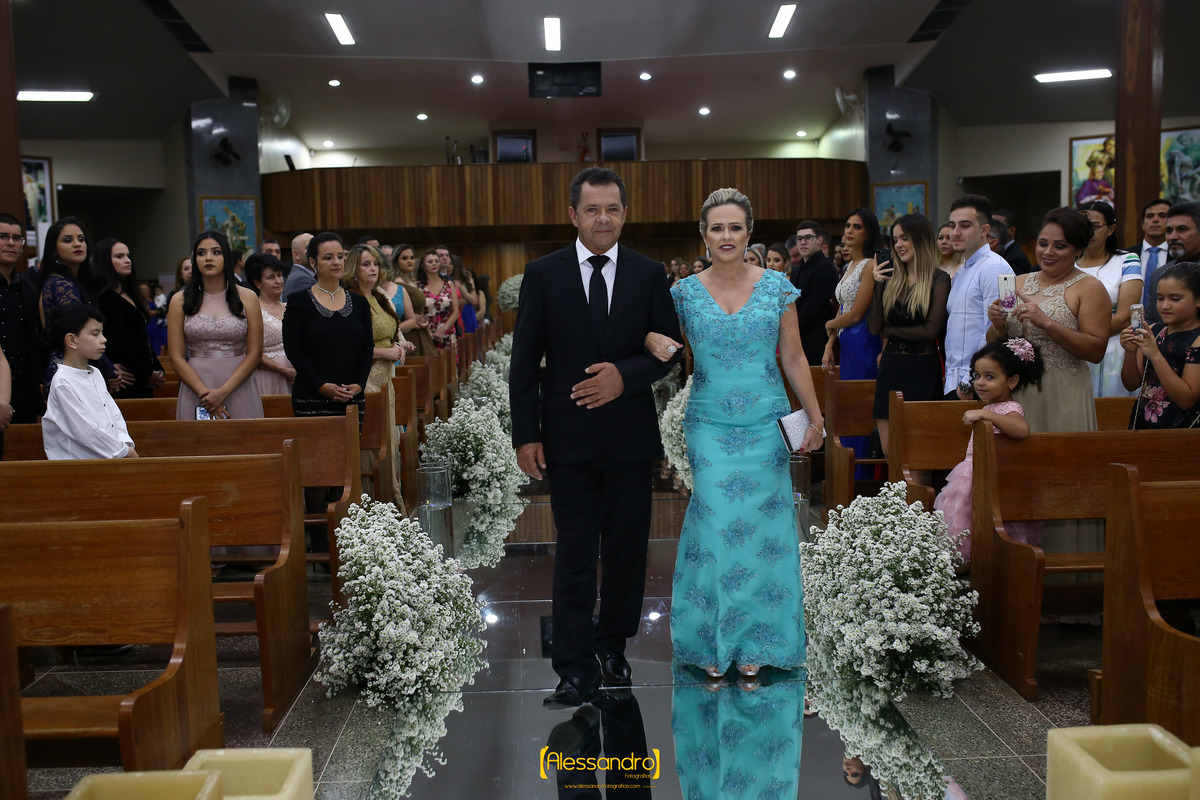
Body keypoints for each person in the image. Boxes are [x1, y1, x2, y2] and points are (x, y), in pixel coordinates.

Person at [509, 167, 680, 709]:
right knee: (575, 551)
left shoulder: (649, 273)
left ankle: (613, 647)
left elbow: (669, 351)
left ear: (624, 214)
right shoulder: (543, 274)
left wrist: (624, 376)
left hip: (630, 436)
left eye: (611, 209)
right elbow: (523, 362)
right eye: (592, 209)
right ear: (573, 215)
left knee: (628, 551)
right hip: (568, 438)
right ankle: (573, 667)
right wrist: (526, 434)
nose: (602, 218)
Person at [646, 187, 824, 679]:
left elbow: (794, 356)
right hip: (708, 425)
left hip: (766, 424)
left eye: (735, 227)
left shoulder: (777, 287)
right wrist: (647, 335)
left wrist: (814, 417)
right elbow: (653, 337)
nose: (726, 236)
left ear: (749, 233)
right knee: (717, 525)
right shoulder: (682, 293)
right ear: (703, 235)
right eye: (717, 227)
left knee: (764, 531)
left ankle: (757, 641)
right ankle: (713, 638)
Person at [986, 206, 1108, 432]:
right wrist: (998, 325)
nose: (1048, 252)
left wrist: (1048, 323)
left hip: (1063, 392)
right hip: (1018, 392)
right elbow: (995, 344)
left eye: (1060, 246)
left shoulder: (1090, 287)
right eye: (1043, 244)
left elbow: (1096, 351)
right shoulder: (1019, 282)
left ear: (1078, 250)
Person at [933, 338, 1042, 563]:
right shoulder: (992, 406)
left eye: (990, 377)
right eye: (977, 376)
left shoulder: (1010, 407)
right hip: (972, 477)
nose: (980, 383)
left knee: (983, 528)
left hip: (989, 477)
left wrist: (986, 415)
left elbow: (1021, 429)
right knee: (965, 524)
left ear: (1012, 381)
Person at [869, 214, 951, 455]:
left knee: (917, 452)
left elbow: (931, 330)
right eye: (895, 240)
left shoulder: (939, 279)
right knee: (889, 451)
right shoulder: (892, 278)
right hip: (890, 368)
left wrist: (891, 330)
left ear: (921, 239)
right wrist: (878, 283)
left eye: (904, 238)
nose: (898, 245)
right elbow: (875, 327)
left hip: (922, 369)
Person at [168, 230, 264, 420]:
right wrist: (204, 393)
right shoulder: (179, 300)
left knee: (242, 436)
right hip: (196, 384)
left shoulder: (248, 297)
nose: (208, 258)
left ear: (226, 257)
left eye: (216, 252)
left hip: (238, 382)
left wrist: (223, 392)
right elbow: (176, 356)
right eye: (201, 253)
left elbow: (255, 353)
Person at [282, 232, 373, 419]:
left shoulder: (359, 302)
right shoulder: (299, 301)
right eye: (328, 257)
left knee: (352, 439)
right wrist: (321, 386)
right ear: (313, 262)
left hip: (352, 395)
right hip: (311, 395)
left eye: (340, 256)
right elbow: (293, 349)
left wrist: (359, 384)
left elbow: (367, 347)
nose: (336, 262)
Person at [41, 303, 138, 460]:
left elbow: (113, 415)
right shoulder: (63, 383)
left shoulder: (96, 373)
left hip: (110, 458)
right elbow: (85, 431)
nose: (103, 339)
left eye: (102, 333)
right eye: (95, 334)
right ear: (72, 340)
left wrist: (125, 443)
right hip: (79, 465)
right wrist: (123, 451)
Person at [37, 217, 120, 392]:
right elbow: (81, 336)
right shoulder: (61, 285)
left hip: (79, 369)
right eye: (68, 240)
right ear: (54, 249)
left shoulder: (78, 283)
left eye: (81, 239)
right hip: (70, 373)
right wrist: (110, 371)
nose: (77, 244)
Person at [945, 195, 1014, 399]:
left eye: (965, 225)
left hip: (979, 384)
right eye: (952, 226)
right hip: (955, 380)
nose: (955, 232)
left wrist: (970, 382)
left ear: (985, 230)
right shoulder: (961, 271)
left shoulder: (998, 268)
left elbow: (1000, 330)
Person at [80, 238, 165, 399]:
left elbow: (142, 339)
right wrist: (146, 373)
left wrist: (156, 368)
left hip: (141, 377)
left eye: (128, 256)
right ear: (105, 261)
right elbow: (117, 343)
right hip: (125, 379)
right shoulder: (105, 298)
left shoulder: (131, 294)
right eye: (119, 256)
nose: (127, 260)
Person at [1121, 261, 1200, 429]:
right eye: (1160, 298)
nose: (1165, 305)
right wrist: (1130, 352)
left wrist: (1155, 355)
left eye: (1175, 299)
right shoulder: (1154, 331)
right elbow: (1131, 383)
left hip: (1181, 428)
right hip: (1144, 422)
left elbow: (1186, 399)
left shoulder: (1197, 339)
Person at [1075, 200, 1143, 397]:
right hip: (1073, 350)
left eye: (1095, 226)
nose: (1088, 232)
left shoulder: (1126, 261)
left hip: (1114, 348)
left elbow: (1125, 317)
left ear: (1111, 229)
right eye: (1083, 226)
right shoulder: (1067, 264)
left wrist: (1082, 337)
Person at [822, 208, 883, 378]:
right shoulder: (851, 265)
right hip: (846, 340)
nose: (849, 230)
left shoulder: (870, 265)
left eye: (857, 227)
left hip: (863, 339)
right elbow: (843, 307)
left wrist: (829, 324)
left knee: (860, 389)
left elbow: (856, 314)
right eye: (848, 225)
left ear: (869, 233)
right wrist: (829, 344)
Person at [0, 212, 45, 423]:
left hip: (24, 388)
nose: (11, 243)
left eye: (16, 238)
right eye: (3, 236)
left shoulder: (29, 286)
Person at [343, 244, 405, 392]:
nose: (373, 268)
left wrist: (396, 345)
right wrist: (384, 352)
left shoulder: (378, 296)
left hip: (386, 374)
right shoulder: (350, 299)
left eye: (376, 264)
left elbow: (389, 331)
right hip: (364, 376)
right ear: (354, 270)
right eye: (366, 264)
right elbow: (349, 345)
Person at [244, 252, 295, 397]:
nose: (278, 281)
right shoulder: (252, 310)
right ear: (257, 283)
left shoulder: (290, 307)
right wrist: (281, 370)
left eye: (279, 275)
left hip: (295, 376)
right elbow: (250, 351)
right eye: (271, 277)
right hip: (266, 376)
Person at [790, 220, 839, 367]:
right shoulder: (797, 270)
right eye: (799, 238)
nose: (803, 242)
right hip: (796, 339)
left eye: (808, 238)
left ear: (819, 240)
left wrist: (789, 329)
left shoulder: (826, 268)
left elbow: (812, 308)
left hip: (815, 342)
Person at [390, 244, 436, 356]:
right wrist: (412, 322)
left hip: (420, 329)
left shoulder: (411, 281)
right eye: (404, 258)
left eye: (411, 258)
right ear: (396, 261)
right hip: (408, 333)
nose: (410, 261)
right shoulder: (397, 283)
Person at [1133, 198, 1171, 318]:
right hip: (1130, 322)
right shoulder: (1126, 255)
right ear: (1143, 224)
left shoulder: (1179, 256)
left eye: (1162, 216)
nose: (1155, 220)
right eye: (1150, 216)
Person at [417, 248, 460, 349]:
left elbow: (455, 311)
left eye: (436, 261)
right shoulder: (417, 286)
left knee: (450, 358)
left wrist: (443, 330)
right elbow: (419, 312)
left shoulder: (449, 284)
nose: (434, 264)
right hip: (426, 331)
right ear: (423, 265)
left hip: (447, 330)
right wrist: (428, 332)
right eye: (430, 262)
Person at [992, 209, 1034, 274]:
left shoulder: (1016, 258)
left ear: (1011, 230)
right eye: (990, 225)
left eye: (997, 226)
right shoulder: (996, 251)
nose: (991, 229)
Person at [449, 254, 481, 334]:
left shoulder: (467, 279)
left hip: (467, 311)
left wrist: (462, 291)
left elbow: (474, 301)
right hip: (454, 312)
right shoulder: (448, 279)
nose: (453, 271)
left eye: (455, 269)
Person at [282, 232, 315, 296]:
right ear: (296, 255)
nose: (315, 251)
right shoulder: (302, 280)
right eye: (309, 248)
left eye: (316, 247)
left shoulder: (305, 276)